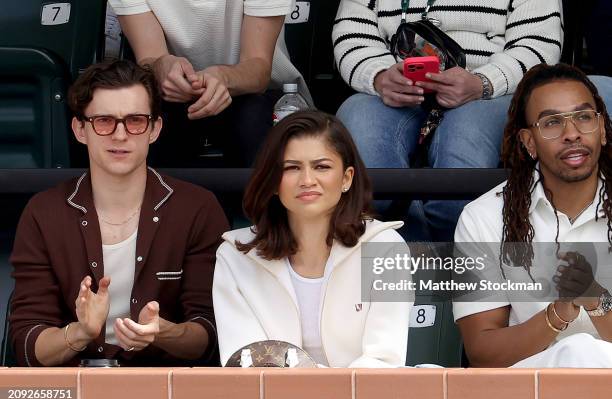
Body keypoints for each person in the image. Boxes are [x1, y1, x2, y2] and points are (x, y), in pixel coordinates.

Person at [9, 60, 229, 367]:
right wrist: (81, 332)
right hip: (73, 391)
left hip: (165, 389)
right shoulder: (44, 213)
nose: (120, 135)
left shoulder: (195, 208)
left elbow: (211, 335)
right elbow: (27, 345)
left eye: (136, 120)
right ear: (80, 129)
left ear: (155, 129)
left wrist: (163, 332)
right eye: (104, 121)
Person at [332, 0, 564, 241]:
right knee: (365, 144)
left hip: (489, 92)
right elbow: (352, 34)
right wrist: (378, 75)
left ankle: (454, 258)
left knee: (461, 167)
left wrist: (483, 82)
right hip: (392, 85)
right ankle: (401, 251)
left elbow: (539, 45)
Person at [213, 110, 411, 367]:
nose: (307, 180)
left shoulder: (387, 249)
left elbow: (385, 361)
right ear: (273, 182)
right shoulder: (235, 256)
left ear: (347, 178)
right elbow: (248, 364)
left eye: (322, 167)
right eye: (292, 168)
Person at [453, 63, 612, 368]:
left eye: (583, 117)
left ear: (602, 129)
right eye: (552, 123)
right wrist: (558, 313)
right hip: (532, 391)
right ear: (529, 143)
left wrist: (596, 302)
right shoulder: (483, 217)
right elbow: (483, 353)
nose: (572, 134)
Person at [108, 0, 310, 167]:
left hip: (264, 94)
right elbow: (149, 57)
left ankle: (260, 213)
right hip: (172, 96)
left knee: (251, 119)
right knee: (149, 123)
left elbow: (258, 68)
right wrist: (161, 66)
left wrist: (223, 77)